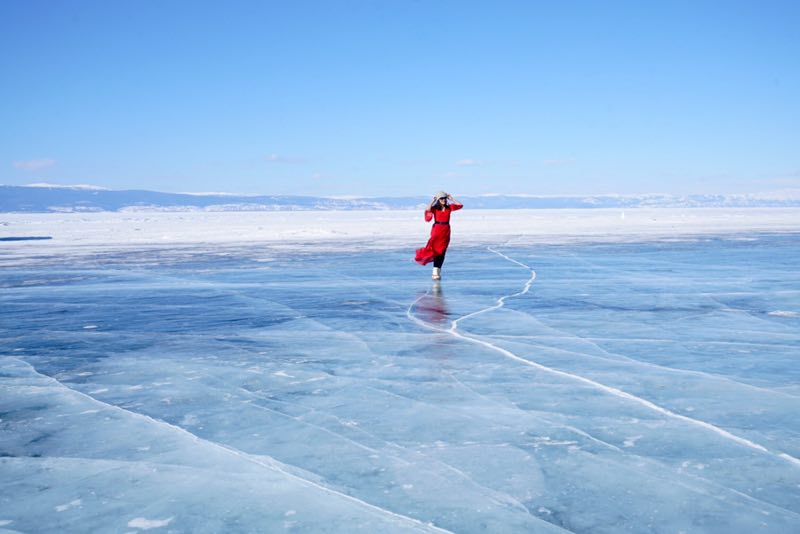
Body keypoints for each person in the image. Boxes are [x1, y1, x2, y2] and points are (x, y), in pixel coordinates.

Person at [414, 191, 463, 280]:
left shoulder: (449, 208)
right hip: (437, 230)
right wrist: (433, 200)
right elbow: (427, 209)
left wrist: (451, 198)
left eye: (444, 198)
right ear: (438, 200)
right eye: (441, 198)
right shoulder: (435, 208)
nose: (443, 200)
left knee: (442, 251)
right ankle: (435, 272)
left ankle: (438, 270)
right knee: (435, 250)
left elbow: (460, 205)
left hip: (446, 231)